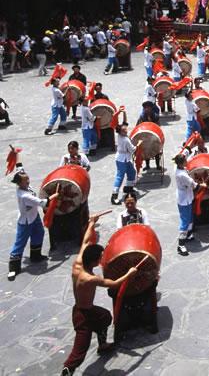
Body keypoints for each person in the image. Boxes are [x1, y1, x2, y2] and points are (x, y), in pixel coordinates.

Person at [61, 213, 139, 375]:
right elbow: (114, 283)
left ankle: (102, 345)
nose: (101, 260)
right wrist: (129, 274)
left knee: (105, 317)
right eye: (100, 258)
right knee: (80, 349)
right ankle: (68, 369)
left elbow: (86, 241)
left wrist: (92, 223)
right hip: (83, 315)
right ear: (93, 261)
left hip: (86, 309)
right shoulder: (90, 279)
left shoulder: (79, 261)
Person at [7, 166, 58, 281]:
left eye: (28, 179)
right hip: (25, 222)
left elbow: (20, 169)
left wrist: (17, 160)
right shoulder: (24, 195)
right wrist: (54, 196)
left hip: (34, 217)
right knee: (20, 242)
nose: (28, 181)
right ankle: (13, 268)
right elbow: (42, 203)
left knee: (39, 233)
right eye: (26, 180)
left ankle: (35, 256)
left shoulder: (25, 186)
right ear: (19, 183)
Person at [174, 154, 207, 255]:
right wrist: (203, 185)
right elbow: (195, 186)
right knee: (185, 221)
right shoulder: (182, 175)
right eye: (185, 160)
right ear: (182, 163)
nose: (186, 161)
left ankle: (188, 234)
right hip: (184, 199)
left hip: (187, 196)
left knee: (190, 217)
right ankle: (181, 245)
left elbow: (186, 154)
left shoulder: (178, 168)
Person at [111, 121, 138, 205]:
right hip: (122, 160)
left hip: (125, 159)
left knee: (132, 172)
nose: (126, 131)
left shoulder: (119, 136)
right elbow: (132, 150)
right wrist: (138, 145)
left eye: (125, 129)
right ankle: (114, 196)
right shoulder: (126, 140)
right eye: (124, 130)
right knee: (120, 176)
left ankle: (128, 188)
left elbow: (125, 125)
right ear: (120, 132)